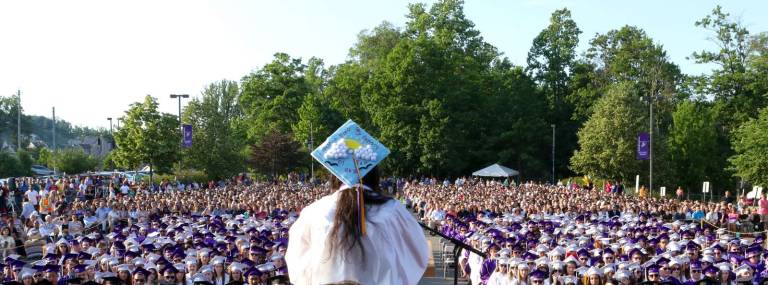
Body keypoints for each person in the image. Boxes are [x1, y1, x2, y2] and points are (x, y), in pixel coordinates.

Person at [285, 167, 430, 285]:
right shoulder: (392, 210)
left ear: (334, 174)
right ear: (374, 175)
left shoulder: (315, 211)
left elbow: (297, 260)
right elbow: (417, 252)